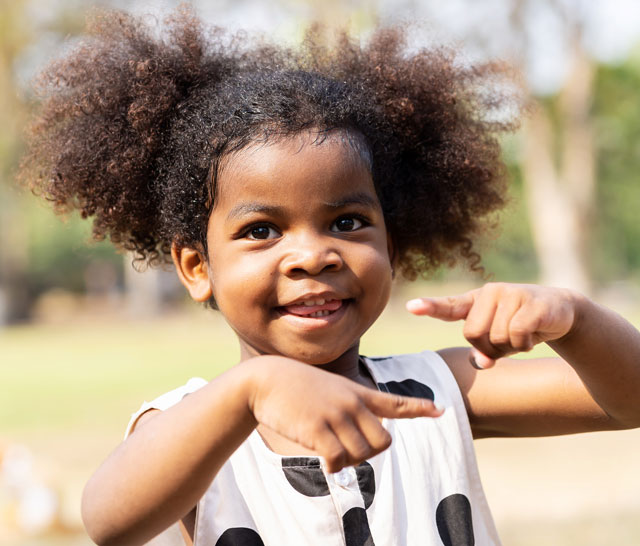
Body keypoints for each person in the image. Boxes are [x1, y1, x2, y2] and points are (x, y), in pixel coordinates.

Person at [20, 7, 640, 546]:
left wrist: (576, 319)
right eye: (261, 230)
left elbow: (628, 401)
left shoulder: (431, 394)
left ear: (391, 245)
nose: (313, 256)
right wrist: (253, 389)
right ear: (196, 268)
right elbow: (108, 520)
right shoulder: (193, 424)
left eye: (346, 221)